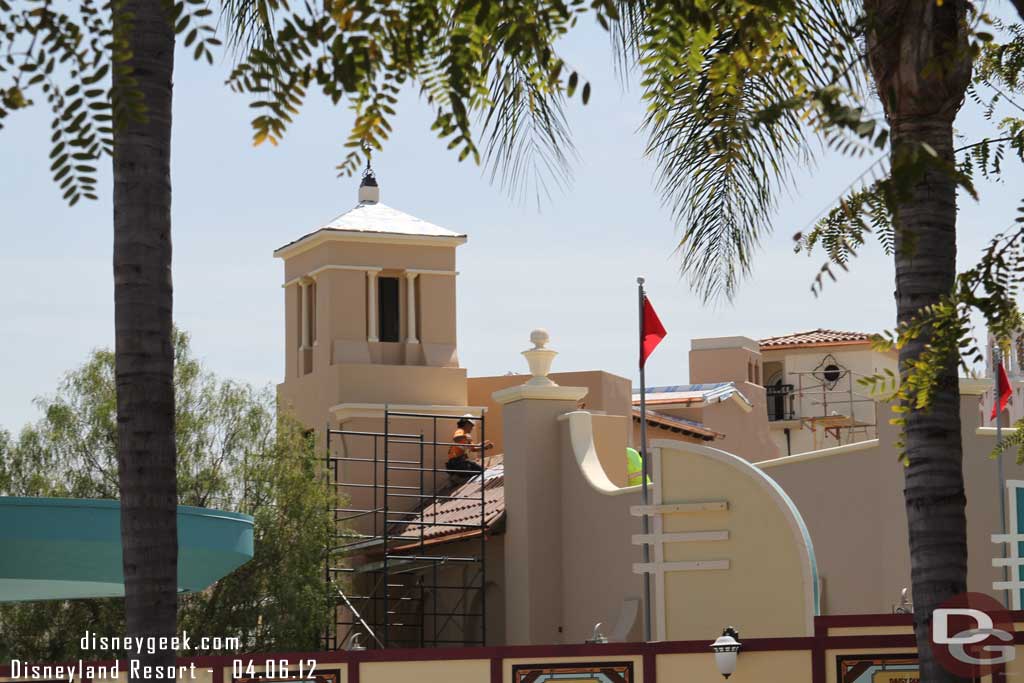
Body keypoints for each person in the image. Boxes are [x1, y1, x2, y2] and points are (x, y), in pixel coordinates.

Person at [446, 417, 493, 482]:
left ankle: (458, 477)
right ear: (467, 424)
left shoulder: (467, 436)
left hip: (461, 462)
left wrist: (485, 447)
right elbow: (456, 438)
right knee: (476, 472)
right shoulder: (460, 431)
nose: (472, 428)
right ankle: (457, 477)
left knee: (481, 470)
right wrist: (465, 436)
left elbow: (473, 449)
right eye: (472, 425)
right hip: (456, 463)